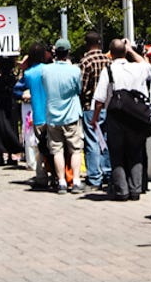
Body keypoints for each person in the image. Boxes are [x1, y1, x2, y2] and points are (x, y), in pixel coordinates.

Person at [91, 39, 151, 201]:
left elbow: (99, 99)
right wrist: (131, 51)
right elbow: (147, 66)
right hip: (137, 116)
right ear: (125, 51)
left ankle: (121, 190)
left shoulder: (109, 70)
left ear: (110, 54)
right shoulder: (138, 68)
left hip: (116, 117)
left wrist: (95, 119)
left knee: (117, 153)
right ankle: (136, 189)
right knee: (135, 152)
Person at [40, 38, 85, 194]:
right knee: (75, 149)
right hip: (71, 114)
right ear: (68, 52)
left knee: (56, 150)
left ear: (55, 53)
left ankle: (61, 182)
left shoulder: (45, 70)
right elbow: (79, 89)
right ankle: (76, 181)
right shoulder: (75, 70)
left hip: (52, 115)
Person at [14, 42, 53, 188]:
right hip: (54, 114)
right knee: (55, 147)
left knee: (40, 148)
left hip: (38, 115)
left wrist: (25, 95)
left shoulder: (29, 74)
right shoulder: (50, 70)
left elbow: (16, 91)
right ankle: (57, 175)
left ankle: (41, 175)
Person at [78, 31, 112, 190]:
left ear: (87, 43)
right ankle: (108, 172)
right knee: (105, 139)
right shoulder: (108, 60)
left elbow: (82, 87)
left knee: (92, 141)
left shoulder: (85, 62)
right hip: (108, 105)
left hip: (90, 106)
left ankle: (94, 177)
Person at [0, 56, 23, 165]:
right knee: (10, 128)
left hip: (1, 104)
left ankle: (0, 154)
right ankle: (10, 154)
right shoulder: (11, 79)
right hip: (8, 104)